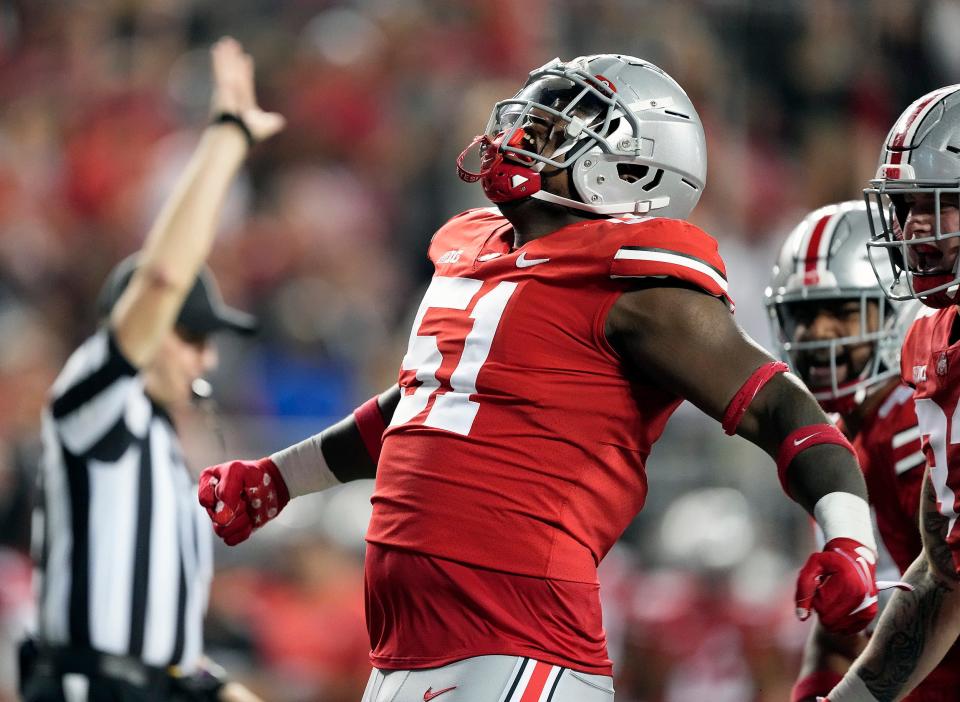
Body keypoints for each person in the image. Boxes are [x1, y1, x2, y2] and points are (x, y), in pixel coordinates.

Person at [200, 54, 879, 701]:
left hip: (518, 639)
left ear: (632, 171)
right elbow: (420, 407)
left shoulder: (641, 286)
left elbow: (785, 411)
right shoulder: (471, 249)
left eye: (554, 131)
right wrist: (279, 479)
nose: (519, 138)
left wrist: (849, 540)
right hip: (410, 644)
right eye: (529, 120)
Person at [21, 38, 283, 702]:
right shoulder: (95, 397)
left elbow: (162, 644)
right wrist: (227, 139)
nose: (206, 358)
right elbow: (164, 276)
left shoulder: (161, 448)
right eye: (192, 336)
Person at [765, 200, 960, 701]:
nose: (815, 335)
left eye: (841, 311)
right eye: (803, 315)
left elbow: (946, 584)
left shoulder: (911, 420)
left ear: (892, 312)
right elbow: (843, 626)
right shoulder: (835, 439)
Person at [823, 85, 960, 702]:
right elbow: (945, 572)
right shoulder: (931, 343)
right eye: (906, 206)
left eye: (938, 205)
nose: (912, 228)